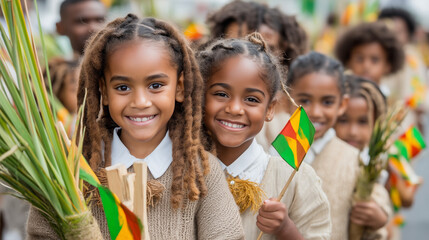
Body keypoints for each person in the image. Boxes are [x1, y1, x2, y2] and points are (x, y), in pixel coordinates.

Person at [26, 14, 244, 239]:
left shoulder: (201, 171)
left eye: (156, 85)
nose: (140, 102)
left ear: (179, 87)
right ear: (104, 90)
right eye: (122, 87)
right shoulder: (72, 169)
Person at [198, 33, 331, 239]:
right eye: (221, 94)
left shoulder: (294, 179)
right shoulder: (184, 173)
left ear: (270, 109)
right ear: (200, 96)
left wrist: (285, 229)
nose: (234, 108)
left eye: (251, 99)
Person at [284, 52, 392, 240]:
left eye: (327, 102)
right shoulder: (280, 148)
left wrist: (379, 215)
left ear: (342, 104)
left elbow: (376, 194)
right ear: (287, 99)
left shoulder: (354, 158)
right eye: (305, 101)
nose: (316, 112)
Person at [206, 0, 308, 151]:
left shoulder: (300, 113)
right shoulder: (203, 113)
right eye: (235, 45)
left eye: (262, 48)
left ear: (284, 54)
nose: (247, 56)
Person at [334, 22, 404, 88]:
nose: (366, 66)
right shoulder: (339, 97)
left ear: (387, 65)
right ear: (349, 61)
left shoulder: (389, 100)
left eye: (375, 60)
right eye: (360, 59)